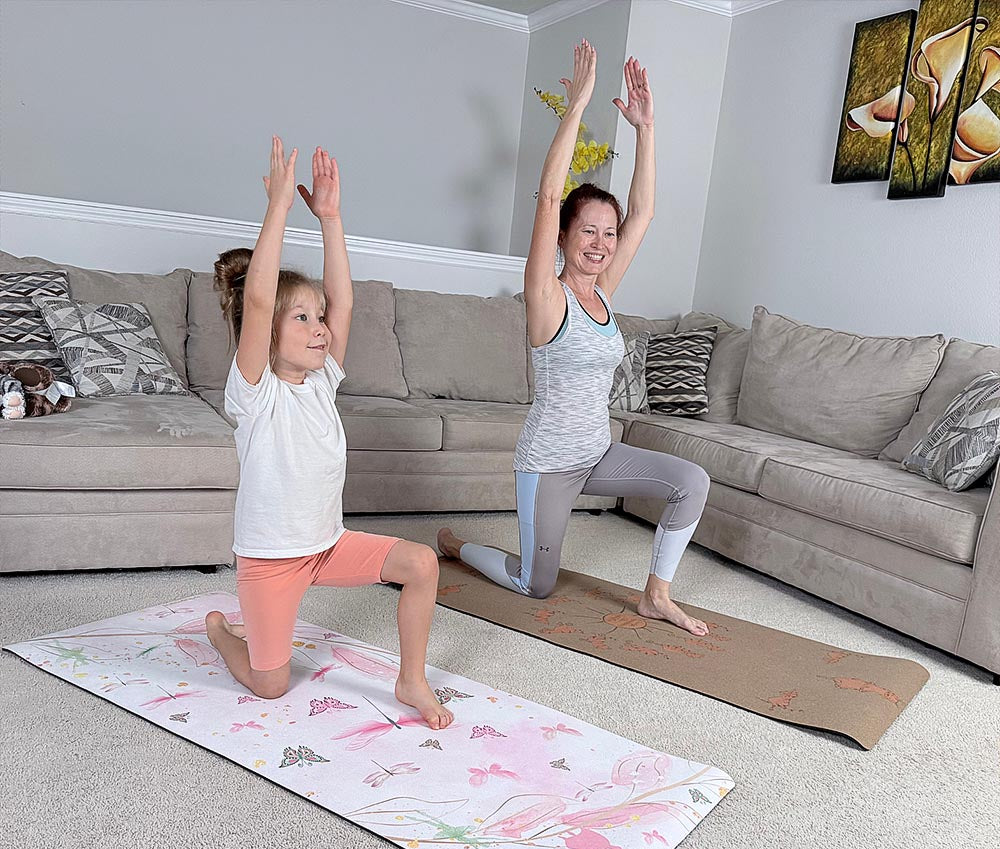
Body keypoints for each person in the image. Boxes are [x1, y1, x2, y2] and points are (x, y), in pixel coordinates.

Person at [438, 43, 711, 636]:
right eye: (587, 231)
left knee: (691, 482)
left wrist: (646, 129)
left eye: (607, 234)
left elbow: (644, 213)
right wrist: (577, 108)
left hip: (598, 453)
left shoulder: (604, 290)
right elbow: (545, 198)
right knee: (535, 585)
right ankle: (458, 546)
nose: (602, 242)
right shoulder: (547, 295)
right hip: (548, 465)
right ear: (564, 236)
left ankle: (656, 595)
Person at [206, 137, 453, 728]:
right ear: (265, 334)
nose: (319, 329)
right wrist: (278, 210)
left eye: (317, 319)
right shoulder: (254, 393)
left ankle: (410, 679)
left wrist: (332, 221)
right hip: (270, 562)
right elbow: (261, 297)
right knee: (270, 685)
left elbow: (343, 302)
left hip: (326, 546)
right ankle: (221, 631)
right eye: (302, 319)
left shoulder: (321, 383)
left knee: (421, 563)